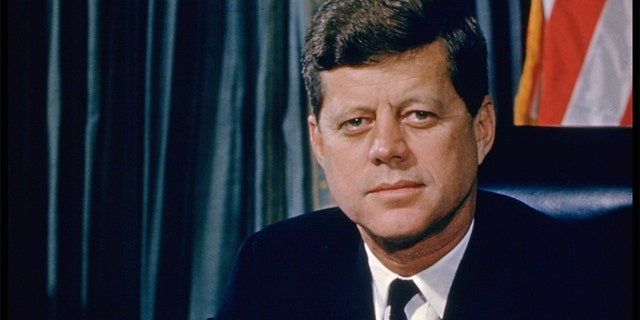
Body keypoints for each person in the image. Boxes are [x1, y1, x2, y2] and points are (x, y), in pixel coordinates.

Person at [212, 0, 630, 319]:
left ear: (481, 129)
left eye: (418, 115)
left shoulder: (589, 284)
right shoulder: (271, 268)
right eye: (356, 122)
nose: (386, 148)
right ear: (319, 144)